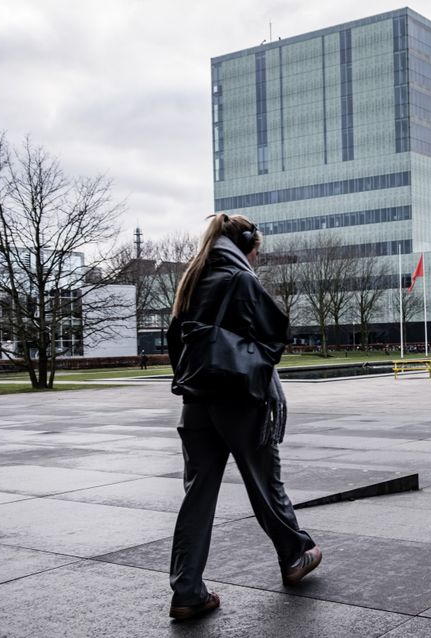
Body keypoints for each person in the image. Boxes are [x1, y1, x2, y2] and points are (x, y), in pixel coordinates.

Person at [165, 213, 321, 621]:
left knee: (197, 496)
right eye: (257, 250)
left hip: (196, 400)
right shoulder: (241, 279)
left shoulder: (191, 281)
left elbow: (176, 344)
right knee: (265, 483)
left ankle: (187, 591)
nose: (256, 258)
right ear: (247, 243)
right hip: (240, 398)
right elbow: (274, 335)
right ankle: (295, 554)